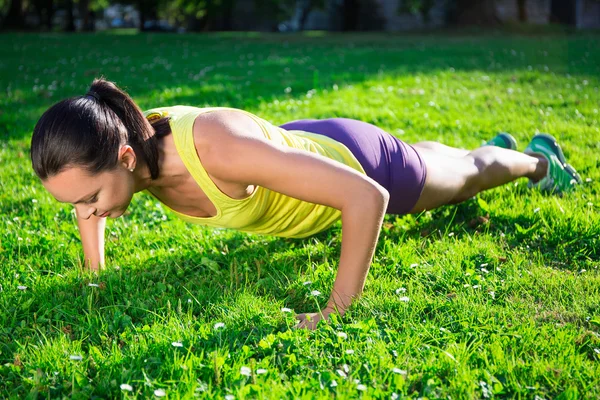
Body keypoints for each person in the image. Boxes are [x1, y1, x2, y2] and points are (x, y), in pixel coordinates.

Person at [30, 77, 582, 330]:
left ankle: (535, 161)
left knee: (461, 179)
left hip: (360, 162)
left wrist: (338, 307)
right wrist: (94, 277)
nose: (90, 212)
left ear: (124, 157)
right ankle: (478, 152)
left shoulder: (212, 148)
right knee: (438, 160)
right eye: (79, 204)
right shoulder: (121, 144)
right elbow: (85, 206)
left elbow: (368, 197)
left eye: (92, 199)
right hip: (286, 145)